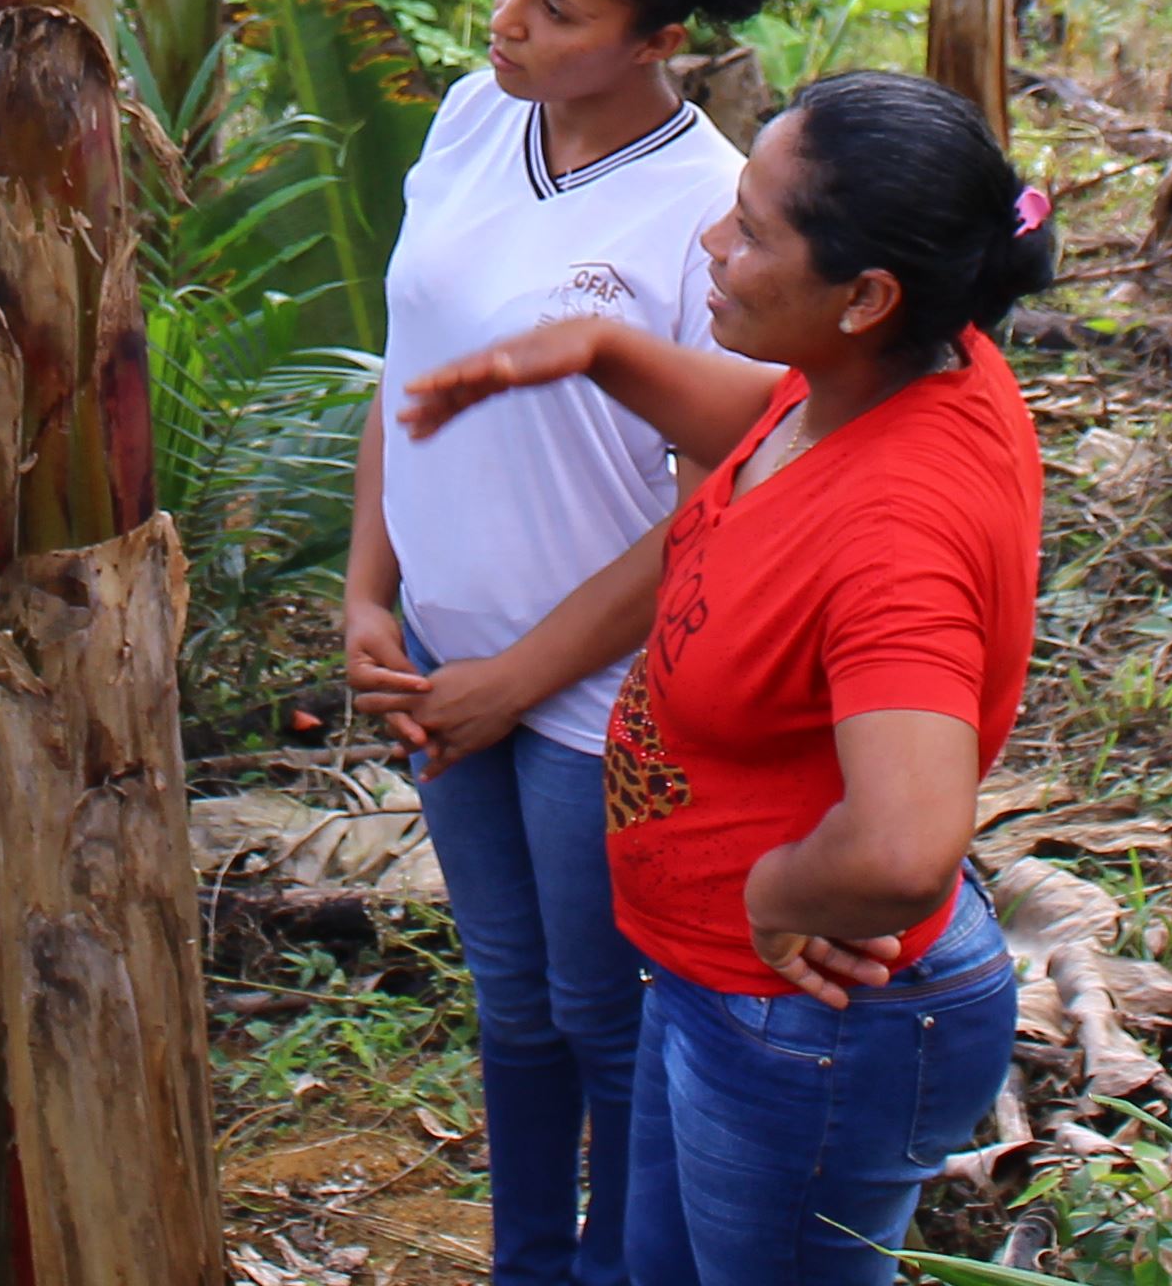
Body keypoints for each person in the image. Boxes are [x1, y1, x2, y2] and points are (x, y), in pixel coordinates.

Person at [395, 67, 1056, 1286]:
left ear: (865, 295)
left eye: (751, 231)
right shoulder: (905, 367)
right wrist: (598, 351)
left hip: (804, 1024)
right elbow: (768, 422)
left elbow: (908, 845)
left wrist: (776, 890)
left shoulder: (896, 530)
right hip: (723, 995)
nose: (712, 237)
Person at [341, 0, 785, 1286]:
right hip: (446, 662)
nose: (506, 20)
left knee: (606, 1015)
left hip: (596, 699)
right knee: (510, 1002)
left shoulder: (708, 213)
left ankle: (622, 1269)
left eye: (555, 5)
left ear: (656, 35)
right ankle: (530, 1262)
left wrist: (517, 677)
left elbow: (712, 511)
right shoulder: (477, 120)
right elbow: (403, 367)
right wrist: (369, 594)